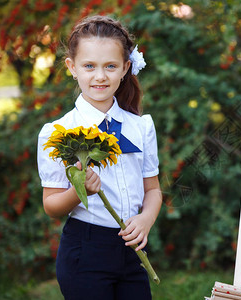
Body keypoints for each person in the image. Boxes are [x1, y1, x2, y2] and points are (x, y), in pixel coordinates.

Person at [37, 15, 162, 300]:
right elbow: (51, 205)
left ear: (125, 68)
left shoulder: (141, 126)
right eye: (89, 66)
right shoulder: (56, 132)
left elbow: (152, 190)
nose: (100, 76)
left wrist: (146, 219)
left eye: (110, 66)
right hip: (85, 253)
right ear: (72, 67)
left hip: (132, 251)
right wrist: (79, 190)